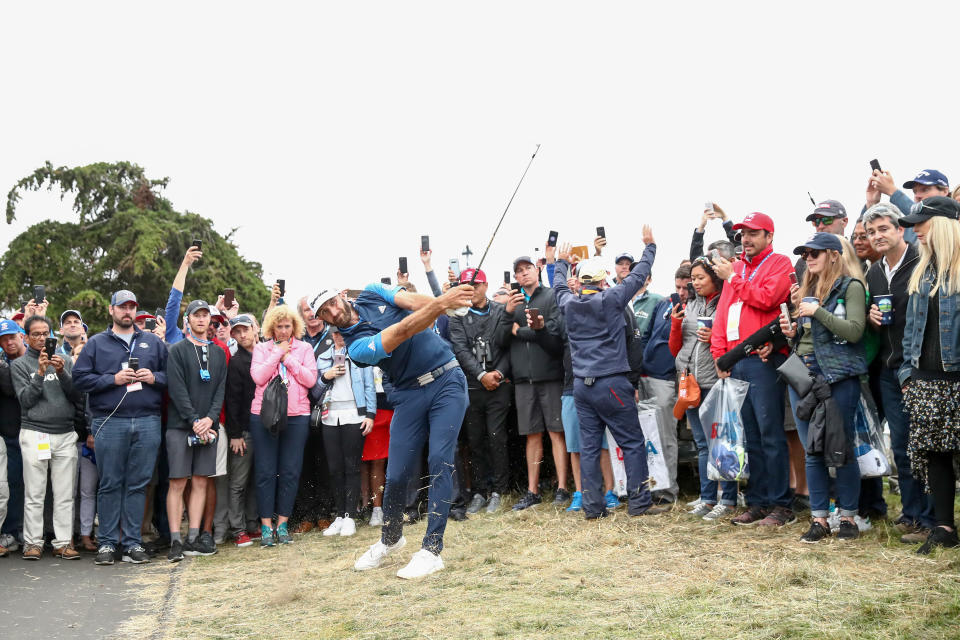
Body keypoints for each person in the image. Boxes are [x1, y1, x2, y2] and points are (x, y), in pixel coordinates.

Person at [315, 281, 472, 579]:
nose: (334, 312)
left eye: (333, 303)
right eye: (325, 312)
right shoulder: (356, 349)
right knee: (396, 474)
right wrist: (442, 304)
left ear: (342, 295)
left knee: (440, 461)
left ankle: (431, 550)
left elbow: (413, 301)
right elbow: (401, 332)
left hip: (447, 380)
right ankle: (390, 537)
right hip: (410, 394)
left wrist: (448, 303)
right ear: (324, 319)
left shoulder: (374, 291)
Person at [552, 228, 666, 518]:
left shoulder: (569, 304)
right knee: (631, 442)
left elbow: (558, 287)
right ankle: (639, 504)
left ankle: (593, 508)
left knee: (589, 447)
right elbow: (639, 276)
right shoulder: (612, 299)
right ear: (604, 280)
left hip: (582, 387)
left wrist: (561, 262)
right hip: (612, 382)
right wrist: (650, 247)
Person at [778, 234, 867, 542]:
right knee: (811, 451)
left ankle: (848, 518)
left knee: (841, 449)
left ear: (833, 254)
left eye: (814, 252)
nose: (808, 258)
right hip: (803, 376)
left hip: (839, 377)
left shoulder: (851, 287)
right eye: (805, 253)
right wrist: (792, 331)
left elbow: (855, 332)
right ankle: (819, 519)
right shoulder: (807, 290)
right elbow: (807, 339)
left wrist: (817, 313)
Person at [711, 213, 795, 528]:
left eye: (753, 233)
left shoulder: (779, 263)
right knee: (751, 437)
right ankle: (758, 502)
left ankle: (781, 505)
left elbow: (767, 298)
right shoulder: (738, 269)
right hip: (737, 362)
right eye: (742, 234)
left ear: (769, 236)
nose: (746, 239)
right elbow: (723, 314)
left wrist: (733, 278)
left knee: (771, 434)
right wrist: (719, 355)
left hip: (763, 361)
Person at [73, 290, 168, 565]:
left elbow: (171, 376)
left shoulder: (152, 342)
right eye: (122, 307)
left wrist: (154, 376)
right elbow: (79, 379)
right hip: (110, 421)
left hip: (148, 420)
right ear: (111, 310)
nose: (128, 312)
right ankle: (107, 543)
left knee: (138, 484)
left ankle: (132, 543)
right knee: (111, 483)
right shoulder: (96, 344)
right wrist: (111, 380)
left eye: (132, 307)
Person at [863, 203, 935, 541]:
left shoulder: (922, 261)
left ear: (900, 230)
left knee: (925, 446)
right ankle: (911, 513)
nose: (877, 236)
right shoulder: (873, 272)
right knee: (903, 447)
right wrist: (870, 317)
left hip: (921, 369)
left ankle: (931, 517)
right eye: (872, 232)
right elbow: (868, 317)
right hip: (888, 371)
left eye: (883, 229)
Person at [896, 196, 960, 553]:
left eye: (922, 222)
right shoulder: (924, 271)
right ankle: (944, 528)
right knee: (934, 456)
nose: (915, 229)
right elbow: (910, 331)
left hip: (957, 381)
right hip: (926, 381)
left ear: (945, 225)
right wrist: (909, 375)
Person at [498, 255, 568, 510]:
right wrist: (507, 314)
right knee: (532, 436)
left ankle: (562, 487)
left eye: (528, 268)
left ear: (537, 271)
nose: (524, 273)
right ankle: (532, 490)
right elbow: (500, 338)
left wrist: (522, 331)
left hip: (550, 376)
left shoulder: (550, 296)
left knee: (556, 432)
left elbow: (552, 332)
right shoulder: (511, 303)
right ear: (515, 277)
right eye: (519, 271)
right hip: (523, 381)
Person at [10, 315, 82, 560]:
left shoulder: (66, 361)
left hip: (65, 433)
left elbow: (76, 396)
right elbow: (26, 401)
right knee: (35, 493)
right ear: (27, 337)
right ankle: (33, 543)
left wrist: (61, 373)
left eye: (45, 334)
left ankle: (62, 543)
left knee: (64, 493)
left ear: (52, 335)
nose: (42, 338)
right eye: (36, 334)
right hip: (35, 432)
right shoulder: (19, 365)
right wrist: (40, 372)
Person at [669, 257, 734, 521]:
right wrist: (675, 324)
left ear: (714, 278)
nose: (694, 283)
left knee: (721, 444)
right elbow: (676, 347)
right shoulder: (691, 305)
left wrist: (716, 336)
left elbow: (734, 337)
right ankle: (708, 499)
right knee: (702, 444)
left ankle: (728, 499)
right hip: (690, 382)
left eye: (699, 278)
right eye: (692, 278)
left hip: (714, 382)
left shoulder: (726, 302)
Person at [248, 305, 317, 547]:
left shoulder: (305, 348)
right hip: (264, 416)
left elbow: (310, 379)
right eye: (280, 326)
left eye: (288, 326)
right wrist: (277, 353)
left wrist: (289, 358)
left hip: (297, 415)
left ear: (294, 327)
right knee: (266, 471)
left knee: (290, 471)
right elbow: (258, 377)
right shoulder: (261, 348)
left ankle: (283, 524)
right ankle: (266, 526)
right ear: (271, 327)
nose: (284, 330)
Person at [164, 300, 228, 562]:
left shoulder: (219, 353)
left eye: (205, 316)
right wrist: (194, 420)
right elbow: (176, 390)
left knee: (201, 481)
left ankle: (193, 537)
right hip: (181, 427)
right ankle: (175, 540)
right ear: (188, 319)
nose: (202, 320)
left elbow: (220, 391)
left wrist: (210, 419)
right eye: (196, 315)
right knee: (178, 482)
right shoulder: (178, 350)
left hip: (208, 427)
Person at [448, 268, 512, 514]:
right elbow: (460, 349)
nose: (472, 289)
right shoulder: (457, 315)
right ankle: (479, 490)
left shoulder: (499, 310)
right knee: (475, 440)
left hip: (499, 383)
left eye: (476, 285)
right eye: (466, 285)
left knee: (497, 436)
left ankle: (499, 490)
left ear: (486, 286)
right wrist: (481, 374)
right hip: (473, 385)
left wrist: (499, 373)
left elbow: (507, 345)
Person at [637, 263, 692, 504]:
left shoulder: (693, 309)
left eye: (686, 287)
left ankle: (667, 492)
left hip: (666, 379)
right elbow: (647, 335)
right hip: (645, 375)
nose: (681, 292)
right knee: (647, 437)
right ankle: (648, 488)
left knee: (665, 437)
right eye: (678, 286)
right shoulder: (664, 304)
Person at [314, 329, 375, 537]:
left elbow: (369, 385)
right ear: (331, 335)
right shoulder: (323, 356)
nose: (339, 337)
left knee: (352, 466)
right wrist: (326, 376)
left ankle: (350, 516)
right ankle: (340, 515)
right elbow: (315, 390)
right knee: (334, 468)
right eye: (336, 333)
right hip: (330, 415)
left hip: (354, 413)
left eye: (342, 333)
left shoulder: (358, 354)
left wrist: (370, 414)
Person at [222, 314, 260, 547]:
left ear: (255, 329)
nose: (242, 334)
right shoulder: (236, 361)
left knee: (257, 480)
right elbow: (232, 401)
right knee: (238, 482)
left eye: (245, 329)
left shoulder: (266, 354)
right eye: (237, 331)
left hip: (263, 427)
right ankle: (237, 528)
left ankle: (253, 524)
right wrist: (235, 435)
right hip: (244, 431)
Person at [0, 318, 25, 554]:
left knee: (26, 487)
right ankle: (10, 531)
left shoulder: (31, 361)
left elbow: (12, 389)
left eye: (12, 336)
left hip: (31, 432)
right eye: (4, 339)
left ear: (22, 336)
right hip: (7, 434)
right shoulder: (3, 362)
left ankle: (20, 531)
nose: (9, 342)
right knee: (11, 485)